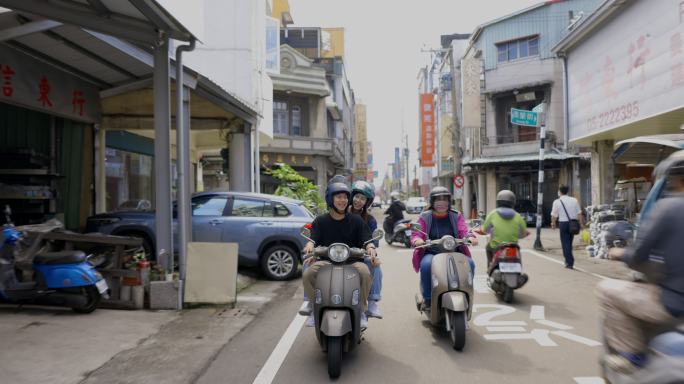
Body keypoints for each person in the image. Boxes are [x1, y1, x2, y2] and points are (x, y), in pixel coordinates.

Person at [598, 158, 684, 373]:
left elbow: (637, 255)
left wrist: (618, 252)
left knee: (606, 291)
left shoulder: (668, 207)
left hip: (673, 304)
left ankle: (632, 356)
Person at [301, 180, 377, 329]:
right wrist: (310, 245)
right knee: (308, 274)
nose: (342, 201)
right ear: (331, 199)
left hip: (352, 261)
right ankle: (314, 307)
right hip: (326, 261)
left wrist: (371, 247)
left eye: (345, 197)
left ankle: (361, 310)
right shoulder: (321, 220)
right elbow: (313, 238)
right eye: (338, 197)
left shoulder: (356, 220)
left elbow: (367, 239)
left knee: (366, 273)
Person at [410, 186, 478, 309]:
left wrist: (471, 237)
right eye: (438, 199)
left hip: (455, 251)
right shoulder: (425, 216)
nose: (441, 202)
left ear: (449, 201)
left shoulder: (456, 215)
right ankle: (428, 299)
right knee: (426, 265)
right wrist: (418, 240)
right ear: (432, 202)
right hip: (432, 252)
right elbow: (417, 233)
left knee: (470, 264)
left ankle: (466, 293)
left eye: (444, 199)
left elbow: (464, 230)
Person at [349, 180, 383, 318]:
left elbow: (373, 240)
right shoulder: (340, 213)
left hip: (360, 255)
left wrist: (372, 250)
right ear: (351, 196)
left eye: (362, 198)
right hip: (338, 253)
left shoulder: (370, 220)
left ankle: (372, 302)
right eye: (357, 196)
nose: (358, 200)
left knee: (375, 265)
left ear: (367, 202)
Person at [480, 190, 531, 268]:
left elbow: (485, 230)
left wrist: (488, 231)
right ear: (513, 202)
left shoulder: (492, 214)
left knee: (488, 247)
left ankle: (490, 267)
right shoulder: (518, 216)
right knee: (517, 253)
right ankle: (519, 269)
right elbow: (523, 234)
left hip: (496, 247)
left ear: (498, 202)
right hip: (513, 246)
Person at [550, 185, 584, 269]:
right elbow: (579, 213)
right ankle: (568, 260)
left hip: (563, 224)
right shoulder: (574, 200)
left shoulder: (557, 201)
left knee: (565, 243)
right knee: (569, 243)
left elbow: (554, 215)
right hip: (573, 223)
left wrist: (553, 223)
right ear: (567, 191)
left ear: (560, 192)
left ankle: (569, 262)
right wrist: (581, 224)